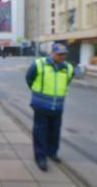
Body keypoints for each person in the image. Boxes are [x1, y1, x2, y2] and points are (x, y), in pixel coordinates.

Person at [25, 43, 74, 172]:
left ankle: (52, 152)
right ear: (52, 53)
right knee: (40, 132)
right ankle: (40, 157)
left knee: (55, 132)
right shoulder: (39, 64)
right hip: (41, 106)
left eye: (64, 54)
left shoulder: (68, 68)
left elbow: (67, 82)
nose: (62, 57)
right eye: (59, 54)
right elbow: (29, 79)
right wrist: (38, 93)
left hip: (58, 107)